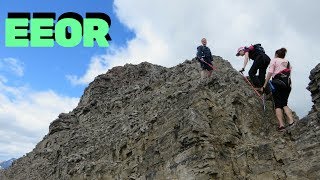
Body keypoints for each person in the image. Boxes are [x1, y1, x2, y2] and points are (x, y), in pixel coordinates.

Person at [261, 48, 294, 131]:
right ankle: (291, 122)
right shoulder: (288, 62)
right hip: (287, 85)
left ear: (276, 54)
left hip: (277, 84)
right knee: (285, 104)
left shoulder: (274, 60)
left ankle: (281, 125)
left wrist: (264, 85)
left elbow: (270, 73)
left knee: (278, 105)